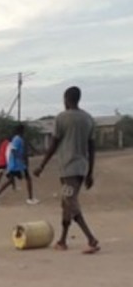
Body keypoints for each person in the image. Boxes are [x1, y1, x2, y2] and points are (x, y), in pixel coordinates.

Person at [34, 86, 100, 254]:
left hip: (68, 169)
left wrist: (42, 165)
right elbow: (92, 148)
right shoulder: (88, 119)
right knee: (66, 203)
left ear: (66, 99)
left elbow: (54, 144)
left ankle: (91, 239)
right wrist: (90, 172)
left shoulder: (62, 118)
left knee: (71, 201)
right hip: (81, 168)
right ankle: (62, 240)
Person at [0, 124, 39, 205]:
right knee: (28, 179)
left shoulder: (16, 139)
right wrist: (20, 158)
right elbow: (13, 150)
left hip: (16, 164)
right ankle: (30, 198)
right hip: (17, 165)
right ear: (21, 131)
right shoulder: (18, 139)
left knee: (11, 181)